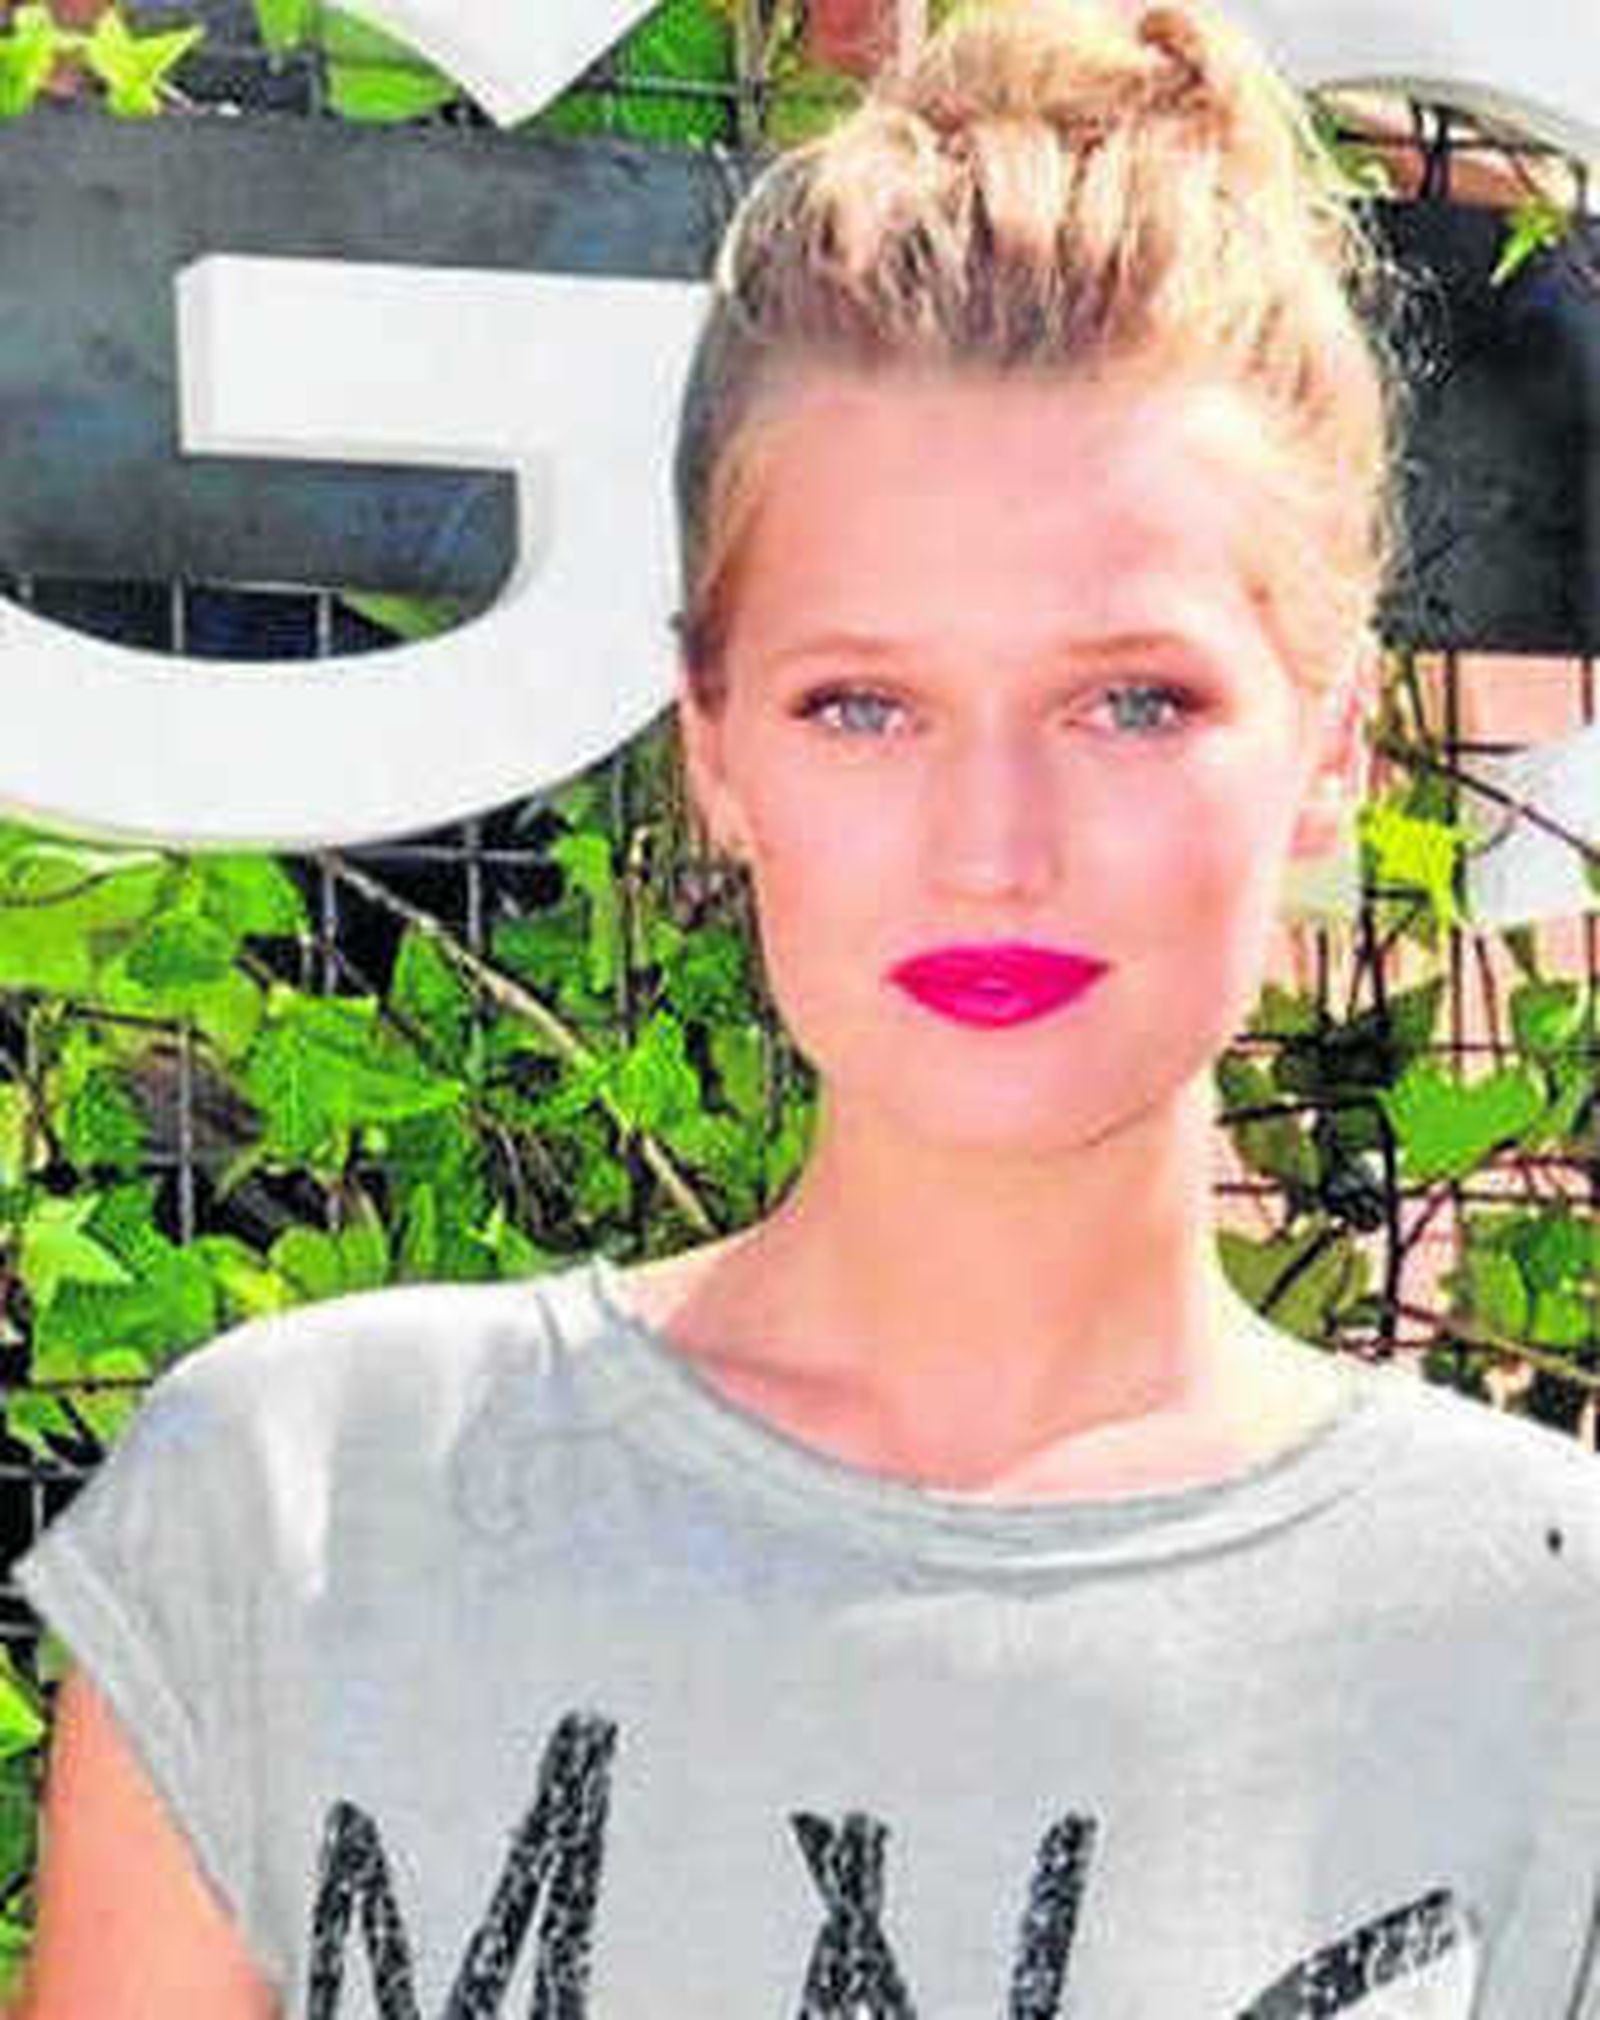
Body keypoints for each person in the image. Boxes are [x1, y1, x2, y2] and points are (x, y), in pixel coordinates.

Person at [10, 2, 1600, 2015]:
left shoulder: (1542, 1647)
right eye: (864, 704)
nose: (990, 846)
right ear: (715, 747)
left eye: (1131, 701)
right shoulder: (299, 1514)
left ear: (1331, 749)